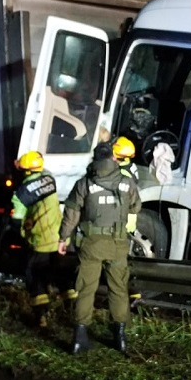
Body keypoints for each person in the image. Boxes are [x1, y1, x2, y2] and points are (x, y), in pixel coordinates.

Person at [57, 144, 141, 354]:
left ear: (94, 159)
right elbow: (135, 206)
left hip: (90, 244)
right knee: (118, 289)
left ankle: (80, 337)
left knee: (86, 289)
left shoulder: (84, 183)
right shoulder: (126, 181)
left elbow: (71, 213)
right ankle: (120, 336)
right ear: (113, 158)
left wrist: (63, 238)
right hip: (117, 244)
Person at [10, 151, 72, 328]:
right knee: (63, 274)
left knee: (35, 275)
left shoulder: (21, 194)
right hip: (60, 239)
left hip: (41, 241)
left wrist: (21, 233)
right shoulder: (49, 178)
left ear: (26, 171)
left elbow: (16, 220)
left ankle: (41, 317)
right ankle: (71, 311)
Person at [111, 136, 143, 306]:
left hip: (121, 221)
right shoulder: (131, 168)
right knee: (122, 259)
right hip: (129, 221)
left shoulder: (120, 174)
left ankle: (131, 294)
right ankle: (132, 293)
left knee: (118, 261)